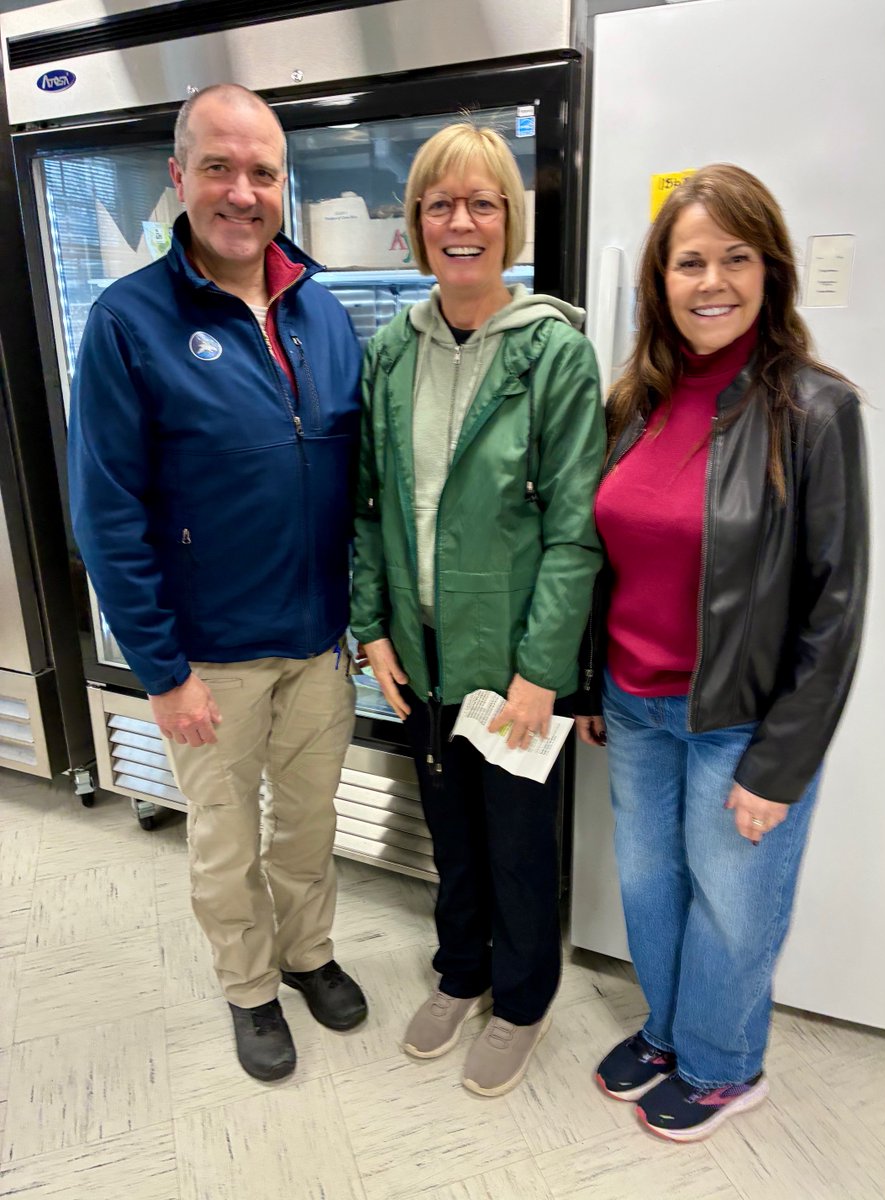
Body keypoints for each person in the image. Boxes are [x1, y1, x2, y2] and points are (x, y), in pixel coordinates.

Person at [68, 84, 367, 1082]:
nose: (243, 192)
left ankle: (308, 954)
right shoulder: (127, 323)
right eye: (219, 168)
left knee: (311, 825)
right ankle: (249, 986)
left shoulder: (323, 315)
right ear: (178, 179)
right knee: (225, 840)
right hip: (208, 659)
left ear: (286, 184)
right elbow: (107, 513)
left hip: (319, 646)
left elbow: (353, 486)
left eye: (263, 172)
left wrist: (359, 626)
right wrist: (162, 669)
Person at [575, 164, 868, 1141]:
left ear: (769, 268)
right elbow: (605, 556)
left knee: (734, 908)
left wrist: (782, 762)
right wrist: (588, 685)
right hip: (635, 705)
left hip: (737, 720)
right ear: (660, 279)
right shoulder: (637, 399)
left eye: (734, 258)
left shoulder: (817, 409)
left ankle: (723, 1065)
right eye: (689, 261)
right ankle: (668, 1032)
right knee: (652, 891)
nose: (711, 281)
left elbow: (837, 602)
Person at [351, 123, 605, 1097]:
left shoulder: (553, 354)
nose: (461, 222)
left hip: (512, 670)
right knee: (451, 833)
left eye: (482, 203)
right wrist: (371, 626)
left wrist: (545, 670)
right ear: (418, 224)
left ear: (510, 221)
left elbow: (577, 531)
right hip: (419, 655)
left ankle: (524, 997)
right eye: (440, 204)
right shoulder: (390, 356)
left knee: (516, 840)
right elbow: (370, 504)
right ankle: (461, 972)